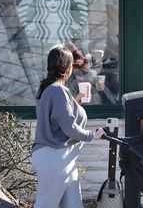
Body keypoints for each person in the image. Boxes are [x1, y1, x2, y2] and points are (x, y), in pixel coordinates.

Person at [31, 45, 105, 208]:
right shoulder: (58, 91)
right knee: (45, 205)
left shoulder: (47, 89)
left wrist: (76, 101)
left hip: (60, 158)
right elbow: (69, 127)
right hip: (55, 158)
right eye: (72, 65)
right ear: (66, 67)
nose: (73, 68)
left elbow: (58, 118)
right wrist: (92, 135)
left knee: (74, 205)